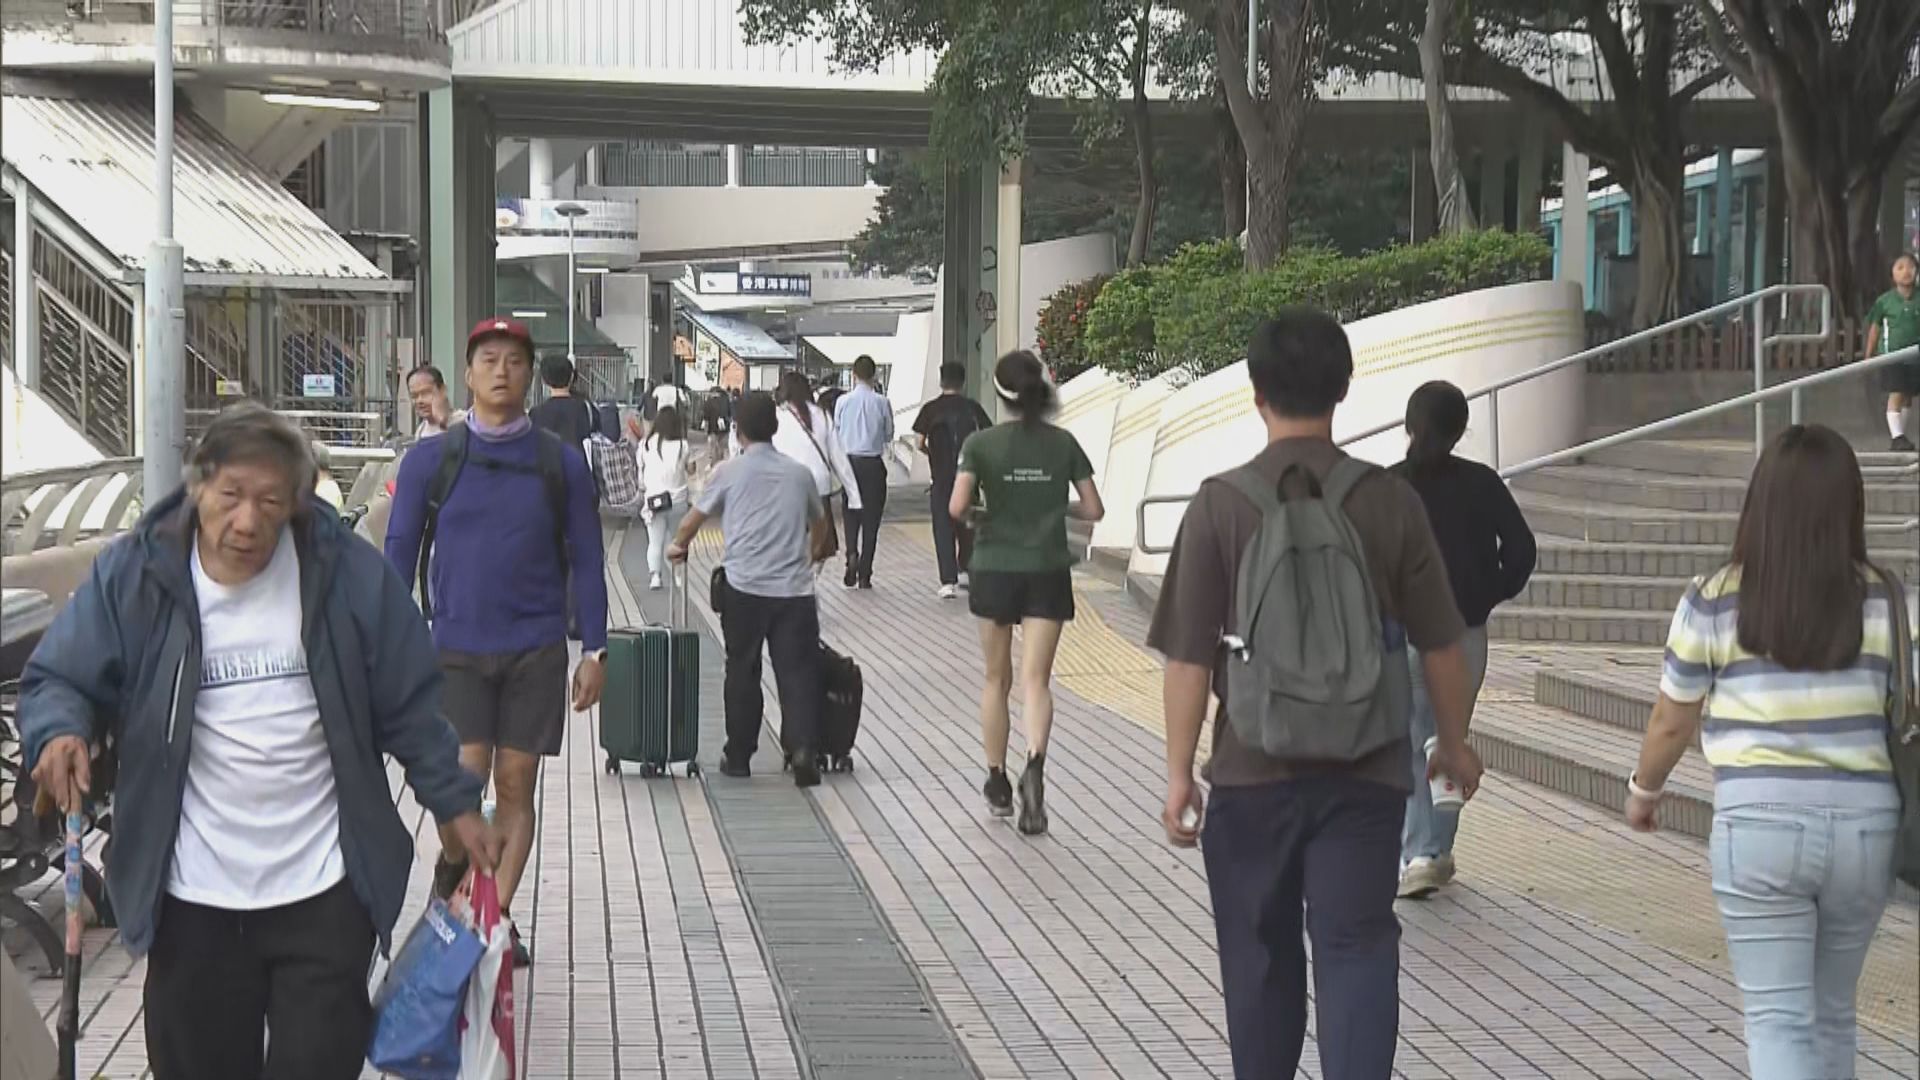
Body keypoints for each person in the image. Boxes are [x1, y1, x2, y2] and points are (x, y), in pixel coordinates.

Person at [21, 402, 499, 1080]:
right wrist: (59, 728)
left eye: (270, 501)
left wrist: (453, 802)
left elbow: (411, 703)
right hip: (192, 897)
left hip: (324, 888)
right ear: (197, 488)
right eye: (231, 496)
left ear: (298, 503)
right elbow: (61, 673)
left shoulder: (345, 575)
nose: (247, 521)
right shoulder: (141, 572)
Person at [1147, 308, 1482, 1080]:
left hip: (1251, 772)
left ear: (1255, 391)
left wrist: (1177, 775)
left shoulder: (1219, 503)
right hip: (1365, 771)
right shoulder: (1388, 500)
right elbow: (1440, 638)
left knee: (1259, 955)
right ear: (1344, 390)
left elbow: (1189, 660)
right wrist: (1453, 745)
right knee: (1356, 944)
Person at [1628, 424, 1902, 1080]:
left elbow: (1672, 719)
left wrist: (1644, 790)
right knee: (1834, 1012)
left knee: (1779, 1019)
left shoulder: (1714, 596)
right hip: (1868, 828)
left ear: (1760, 505)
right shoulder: (1897, 603)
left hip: (1759, 826)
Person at [385, 317, 608, 969]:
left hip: (535, 649)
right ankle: (453, 872)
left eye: (514, 359)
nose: (502, 370)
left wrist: (595, 650)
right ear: (470, 372)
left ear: (530, 373)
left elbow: (589, 560)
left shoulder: (557, 462)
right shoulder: (433, 459)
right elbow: (397, 555)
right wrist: (386, 641)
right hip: (453, 647)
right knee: (459, 785)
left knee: (515, 785)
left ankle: (492, 920)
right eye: (489, 358)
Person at [948, 351, 1104, 835]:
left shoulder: (981, 443)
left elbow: (957, 506)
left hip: (995, 567)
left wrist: (983, 513)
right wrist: (1055, 506)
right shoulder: (1064, 443)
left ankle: (996, 779)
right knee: (1037, 680)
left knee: (997, 678)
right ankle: (1034, 765)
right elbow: (1094, 509)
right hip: (1046, 568)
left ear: (1000, 393)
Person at [1391, 381, 1536, 898]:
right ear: (1459, 430)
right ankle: (1430, 851)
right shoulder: (1482, 484)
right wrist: (1486, 593)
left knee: (1412, 739)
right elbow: (1520, 550)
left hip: (1404, 630)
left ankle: (1419, 853)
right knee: (1447, 735)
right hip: (1464, 630)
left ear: (1410, 425)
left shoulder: (1388, 487)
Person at [668, 392, 833, 787]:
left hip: (744, 589)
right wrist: (809, 556)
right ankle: (804, 749)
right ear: (775, 429)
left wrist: (678, 545)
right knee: (797, 671)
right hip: (794, 592)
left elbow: (692, 520)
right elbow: (822, 527)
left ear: (737, 429)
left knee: (742, 669)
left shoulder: (728, 473)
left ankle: (739, 754)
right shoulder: (799, 474)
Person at [915, 362, 994, 599]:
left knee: (942, 527)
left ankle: (947, 581)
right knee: (967, 524)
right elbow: (987, 438)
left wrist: (933, 454)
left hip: (940, 478)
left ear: (941, 382)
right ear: (963, 382)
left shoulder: (930, 410)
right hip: (968, 476)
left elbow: (918, 442)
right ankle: (968, 569)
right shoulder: (973, 408)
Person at [773, 370, 862, 559]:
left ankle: (797, 575)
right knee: (820, 541)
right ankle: (809, 575)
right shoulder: (822, 416)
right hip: (819, 486)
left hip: (787, 486)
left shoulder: (778, 418)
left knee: (788, 540)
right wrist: (854, 495)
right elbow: (839, 457)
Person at [834, 355, 894, 589]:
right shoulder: (882, 402)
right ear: (875, 376)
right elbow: (889, 434)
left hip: (850, 463)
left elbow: (837, 432)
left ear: (854, 375)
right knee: (872, 520)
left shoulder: (842, 402)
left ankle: (851, 552)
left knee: (851, 513)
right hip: (873, 464)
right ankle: (865, 573)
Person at [1865, 252, 1920, 452]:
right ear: (1892, 274)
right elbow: (1875, 328)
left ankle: (1901, 436)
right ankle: (1897, 436)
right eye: (1900, 267)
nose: (1906, 272)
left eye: (1910, 267)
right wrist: (1869, 354)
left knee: (1907, 396)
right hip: (1892, 356)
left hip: (1915, 357)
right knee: (1896, 393)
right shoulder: (1884, 301)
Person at [640, 405, 695, 591]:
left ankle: (655, 576)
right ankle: (678, 576)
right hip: (678, 500)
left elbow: (641, 470)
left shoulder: (646, 444)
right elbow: (690, 469)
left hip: (654, 500)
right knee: (677, 540)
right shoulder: (682, 445)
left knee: (654, 541)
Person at [530, 355, 600, 448]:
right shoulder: (587, 409)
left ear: (544, 380)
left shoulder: (536, 413)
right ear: (572, 377)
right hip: (579, 461)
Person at [407, 364, 463, 438]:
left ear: (443, 390)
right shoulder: (421, 431)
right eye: (414, 396)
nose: (419, 401)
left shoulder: (464, 422)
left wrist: (442, 423)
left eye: (426, 393)